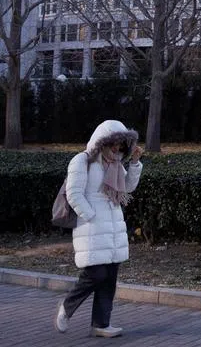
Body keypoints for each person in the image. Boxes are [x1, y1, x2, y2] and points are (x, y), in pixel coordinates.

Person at [54, 120, 144, 338]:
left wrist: (135, 163)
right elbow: (74, 193)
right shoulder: (82, 160)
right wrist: (91, 216)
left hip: (114, 226)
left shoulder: (116, 163)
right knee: (96, 274)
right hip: (92, 227)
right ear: (102, 141)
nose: (117, 148)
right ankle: (67, 307)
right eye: (113, 143)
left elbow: (128, 188)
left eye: (121, 144)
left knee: (109, 277)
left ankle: (101, 324)